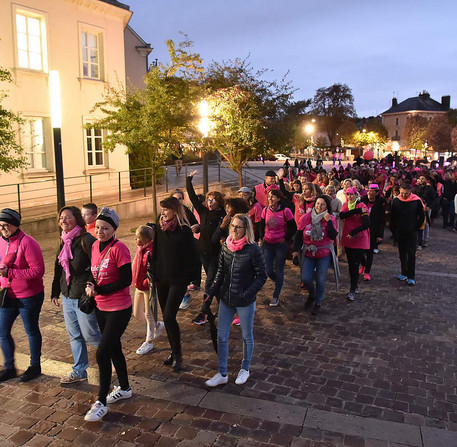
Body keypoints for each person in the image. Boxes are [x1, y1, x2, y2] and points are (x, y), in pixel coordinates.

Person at [204, 214, 267, 387]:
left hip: (245, 299)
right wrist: (211, 291)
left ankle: (245, 368)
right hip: (226, 297)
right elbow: (220, 272)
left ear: (246, 229)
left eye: (238, 227)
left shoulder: (253, 249)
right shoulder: (226, 246)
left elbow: (262, 276)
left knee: (247, 336)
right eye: (233, 226)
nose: (234, 229)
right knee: (221, 336)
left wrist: (247, 294)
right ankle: (222, 372)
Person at [83, 207, 133, 422]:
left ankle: (101, 401)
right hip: (101, 306)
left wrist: (100, 290)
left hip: (119, 308)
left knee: (102, 352)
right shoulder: (94, 246)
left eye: (105, 228)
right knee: (113, 349)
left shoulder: (119, 248)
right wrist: (90, 285)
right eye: (98, 227)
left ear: (113, 229)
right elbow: (95, 273)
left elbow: (126, 280)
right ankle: (124, 387)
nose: (100, 231)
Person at [51, 206, 101, 384]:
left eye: (67, 217)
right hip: (67, 295)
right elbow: (58, 269)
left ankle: (111, 360)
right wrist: (55, 291)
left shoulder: (86, 239)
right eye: (61, 218)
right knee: (74, 335)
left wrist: (89, 284)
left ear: (77, 219)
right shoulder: (63, 240)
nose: (63, 221)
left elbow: (96, 266)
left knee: (91, 335)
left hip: (82, 296)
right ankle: (79, 371)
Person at [152, 197, 200, 371]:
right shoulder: (159, 227)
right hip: (162, 278)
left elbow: (193, 256)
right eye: (162, 209)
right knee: (166, 315)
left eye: (166, 209)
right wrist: (153, 271)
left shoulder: (184, 230)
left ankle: (178, 355)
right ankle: (173, 351)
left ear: (175, 210)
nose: (163, 212)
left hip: (178, 280)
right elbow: (155, 250)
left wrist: (194, 279)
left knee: (169, 316)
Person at [0, 208, 45, 383]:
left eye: (7, 225)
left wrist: (10, 272)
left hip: (29, 295)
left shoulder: (28, 242)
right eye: (1, 225)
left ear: (16, 224)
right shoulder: (1, 242)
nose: (3, 228)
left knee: (31, 330)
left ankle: (35, 366)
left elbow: (38, 271)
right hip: (7, 295)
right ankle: (9, 367)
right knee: (2, 332)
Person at [186, 171, 226, 325]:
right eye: (209, 200)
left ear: (219, 202)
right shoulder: (203, 211)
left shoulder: (223, 215)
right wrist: (189, 179)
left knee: (209, 282)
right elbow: (192, 197)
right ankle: (226, 305)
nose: (210, 202)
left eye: (213, 200)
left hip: (216, 253)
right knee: (215, 284)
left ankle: (203, 313)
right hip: (203, 252)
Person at [292, 195, 338, 316]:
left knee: (320, 278)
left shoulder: (330, 218)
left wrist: (328, 222)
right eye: (318, 203)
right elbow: (298, 234)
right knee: (306, 278)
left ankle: (318, 301)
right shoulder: (306, 217)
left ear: (326, 206)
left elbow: (333, 236)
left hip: (323, 253)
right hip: (308, 252)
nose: (319, 206)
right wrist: (296, 250)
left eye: (322, 204)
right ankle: (312, 295)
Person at [259, 189, 297, 306]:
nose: (270, 199)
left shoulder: (286, 211)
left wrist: (285, 238)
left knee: (279, 269)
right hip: (268, 244)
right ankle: (279, 282)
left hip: (280, 245)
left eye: (273, 197)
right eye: (269, 197)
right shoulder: (265, 210)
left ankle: (275, 296)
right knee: (268, 270)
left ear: (279, 199)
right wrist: (262, 237)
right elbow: (260, 225)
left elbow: (293, 227)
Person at [131, 225, 164, 355]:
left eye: (138, 238)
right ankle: (157, 325)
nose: (135, 240)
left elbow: (153, 271)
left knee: (149, 314)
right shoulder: (141, 249)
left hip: (147, 287)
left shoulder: (151, 252)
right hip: (139, 285)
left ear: (146, 238)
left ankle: (149, 341)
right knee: (137, 312)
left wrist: (147, 282)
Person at [389, 182, 425, 286]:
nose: (404, 195)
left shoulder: (416, 201)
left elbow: (421, 216)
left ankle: (411, 276)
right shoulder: (396, 201)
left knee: (411, 254)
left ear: (410, 192)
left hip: (411, 231)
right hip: (400, 231)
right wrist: (394, 230)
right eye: (402, 193)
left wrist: (416, 228)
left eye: (406, 193)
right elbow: (393, 217)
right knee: (402, 253)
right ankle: (404, 272)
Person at [339, 187, 370, 301]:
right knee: (351, 263)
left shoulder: (362, 206)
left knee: (354, 264)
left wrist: (354, 231)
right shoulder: (345, 205)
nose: (350, 197)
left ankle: (352, 289)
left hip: (359, 239)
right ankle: (355, 285)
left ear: (356, 195)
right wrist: (356, 211)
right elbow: (342, 215)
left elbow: (366, 224)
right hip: (348, 238)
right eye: (348, 195)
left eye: (352, 195)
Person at [360, 185, 387, 280]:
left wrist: (380, 235)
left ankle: (367, 272)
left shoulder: (380, 204)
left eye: (371, 192)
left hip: (373, 231)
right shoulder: (362, 201)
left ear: (376, 193)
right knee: (360, 252)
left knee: (369, 252)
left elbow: (382, 221)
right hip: (362, 230)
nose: (369, 194)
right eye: (368, 192)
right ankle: (363, 265)